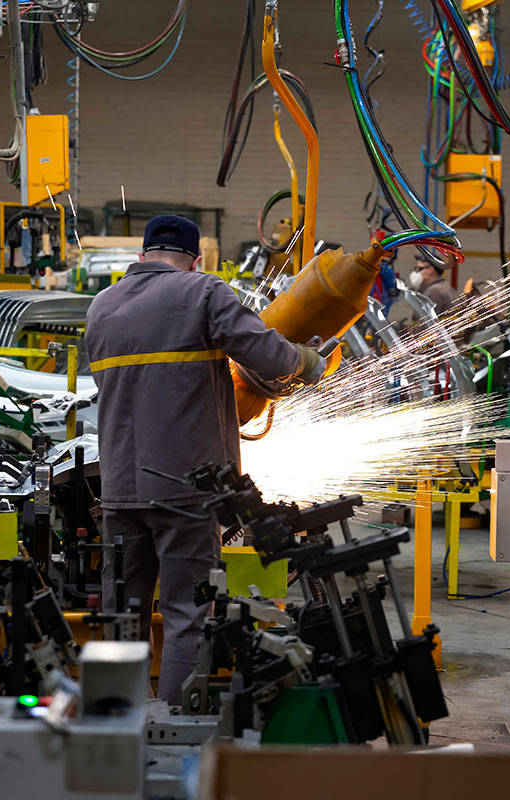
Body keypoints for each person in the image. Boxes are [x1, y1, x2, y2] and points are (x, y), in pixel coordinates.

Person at [84, 214, 326, 705]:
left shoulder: (101, 307)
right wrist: (305, 360)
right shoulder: (203, 292)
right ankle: (173, 730)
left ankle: (116, 725)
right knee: (185, 615)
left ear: (142, 256)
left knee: (122, 614)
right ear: (194, 260)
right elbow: (267, 354)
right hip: (185, 490)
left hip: (119, 489)